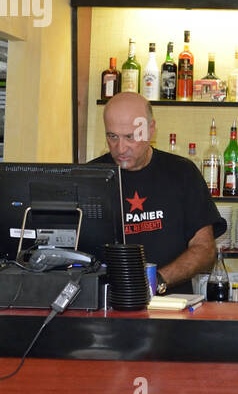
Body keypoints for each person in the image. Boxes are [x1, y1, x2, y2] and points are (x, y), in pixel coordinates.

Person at [90, 92, 225, 294]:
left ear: (150, 130)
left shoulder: (182, 173)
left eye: (130, 137)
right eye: (112, 136)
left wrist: (156, 281)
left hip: (170, 306)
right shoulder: (92, 177)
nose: (120, 148)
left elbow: (205, 250)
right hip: (105, 305)